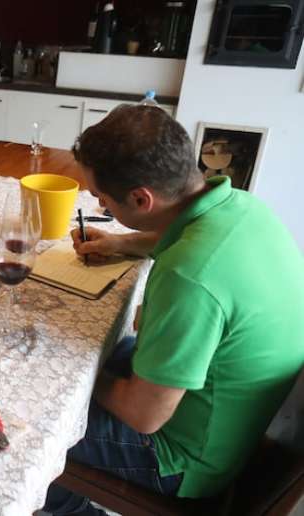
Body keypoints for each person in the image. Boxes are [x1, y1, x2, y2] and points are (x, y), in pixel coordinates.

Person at [44, 104, 304, 514]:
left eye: (102, 199)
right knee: (88, 347)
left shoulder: (189, 276)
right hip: (222, 412)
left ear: (140, 198)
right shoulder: (239, 206)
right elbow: (184, 237)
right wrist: (119, 243)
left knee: (31, 412)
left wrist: (70, 378)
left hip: (180, 457)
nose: (100, 205)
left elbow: (142, 415)